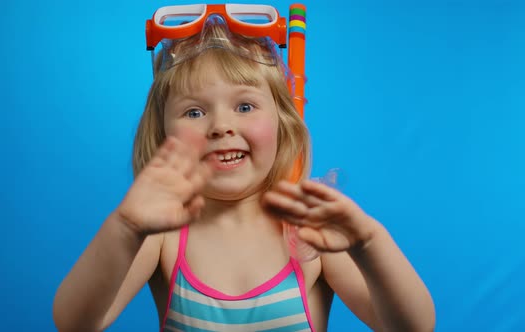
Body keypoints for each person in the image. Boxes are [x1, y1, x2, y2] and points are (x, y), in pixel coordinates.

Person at [53, 4, 435, 331]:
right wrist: (124, 229)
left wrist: (369, 243)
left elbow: (412, 327)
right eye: (194, 111)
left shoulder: (308, 233)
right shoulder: (162, 237)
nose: (221, 126)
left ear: (283, 124)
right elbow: (75, 323)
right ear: (161, 132)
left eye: (245, 106)